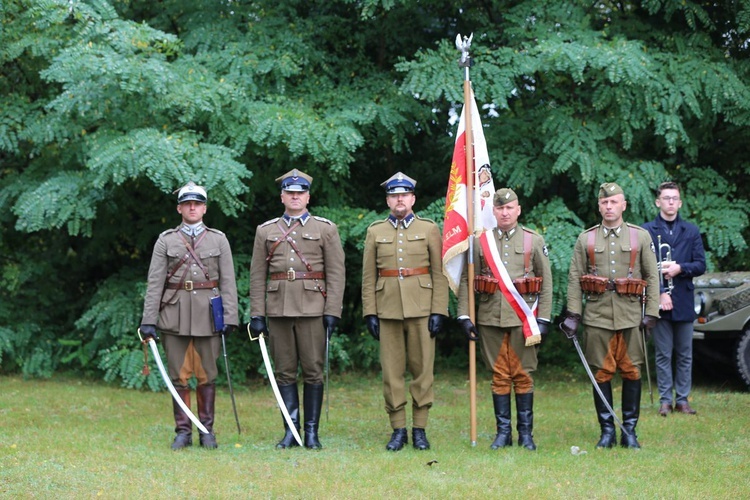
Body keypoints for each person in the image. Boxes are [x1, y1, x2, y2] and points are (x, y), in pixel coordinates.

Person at [249, 169, 346, 450]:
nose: (295, 197)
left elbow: (336, 273)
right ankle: (291, 430)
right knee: (284, 372)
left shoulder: (325, 228)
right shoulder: (265, 230)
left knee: (314, 371)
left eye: (300, 192)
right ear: (282, 197)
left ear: (308, 196)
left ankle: (312, 432)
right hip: (278, 309)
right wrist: (257, 314)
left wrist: (333, 310)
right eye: (290, 193)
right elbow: (257, 275)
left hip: (314, 308)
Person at [140, 181, 239, 450]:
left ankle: (207, 430)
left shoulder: (219, 239)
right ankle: (183, 431)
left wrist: (230, 317)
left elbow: (228, 282)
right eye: (187, 204)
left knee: (207, 375)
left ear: (204, 208)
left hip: (209, 315)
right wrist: (148, 320)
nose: (192, 208)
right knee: (179, 376)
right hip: (174, 314)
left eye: (197, 204)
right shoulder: (166, 240)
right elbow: (155, 282)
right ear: (179, 208)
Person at [560, 182, 659, 449]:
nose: (609, 206)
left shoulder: (640, 237)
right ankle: (607, 431)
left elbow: (652, 276)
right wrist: (574, 315)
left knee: (631, 371)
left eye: (614, 202)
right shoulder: (587, 238)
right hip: (597, 315)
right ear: (599, 206)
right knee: (601, 373)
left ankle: (629, 431)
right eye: (604, 202)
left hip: (630, 316)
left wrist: (651, 313)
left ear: (623, 205)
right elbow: (574, 279)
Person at [456, 188, 552, 451]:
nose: (505, 212)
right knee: (499, 376)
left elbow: (546, 282)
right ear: (493, 211)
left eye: (510, 208)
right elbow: (468, 279)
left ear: (518, 210)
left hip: (525, 320)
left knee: (523, 375)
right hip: (490, 318)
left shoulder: (534, 240)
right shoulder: (480, 242)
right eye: (500, 209)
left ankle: (526, 434)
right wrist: (465, 315)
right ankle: (502, 433)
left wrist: (544, 318)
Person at [361, 172, 449, 451]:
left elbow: (439, 273)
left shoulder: (429, 228)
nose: (399, 200)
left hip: (422, 308)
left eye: (404, 195)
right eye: (394, 195)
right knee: (392, 372)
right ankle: (398, 429)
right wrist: (370, 312)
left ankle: (419, 428)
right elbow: (367, 277)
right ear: (388, 200)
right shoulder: (375, 231)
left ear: (412, 198)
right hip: (387, 309)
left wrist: (439, 310)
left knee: (423, 370)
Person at [642, 181, 706, 416]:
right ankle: (665, 400)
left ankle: (682, 399)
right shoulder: (647, 230)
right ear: (658, 202)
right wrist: (659, 293)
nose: (670, 202)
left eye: (674, 198)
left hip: (684, 299)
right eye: (666, 198)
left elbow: (700, 265)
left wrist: (680, 268)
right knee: (663, 353)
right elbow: (643, 267)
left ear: (679, 202)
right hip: (659, 301)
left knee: (685, 353)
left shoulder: (691, 231)